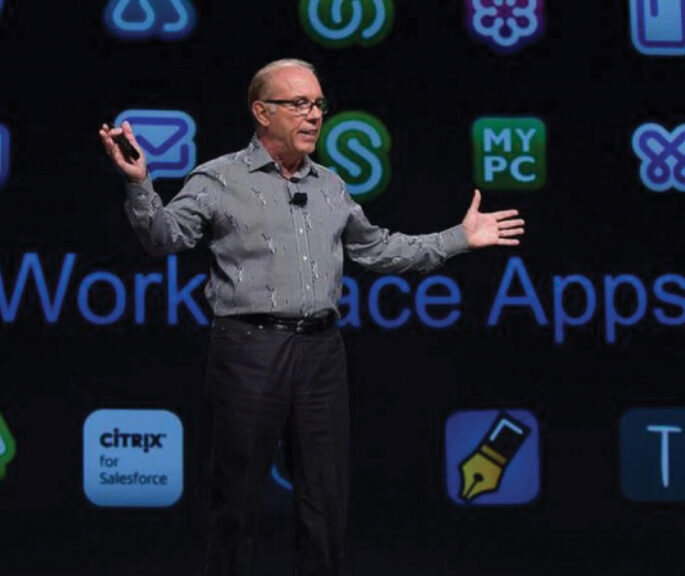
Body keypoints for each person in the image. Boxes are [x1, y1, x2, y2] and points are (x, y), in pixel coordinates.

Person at [98, 58, 524, 576]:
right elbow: (163, 238)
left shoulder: (330, 186)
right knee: (236, 506)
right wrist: (140, 184)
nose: (314, 115)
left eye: (318, 103)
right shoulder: (218, 178)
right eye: (298, 104)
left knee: (325, 507)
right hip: (249, 352)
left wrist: (460, 238)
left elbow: (381, 251)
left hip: (322, 355)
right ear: (261, 112)